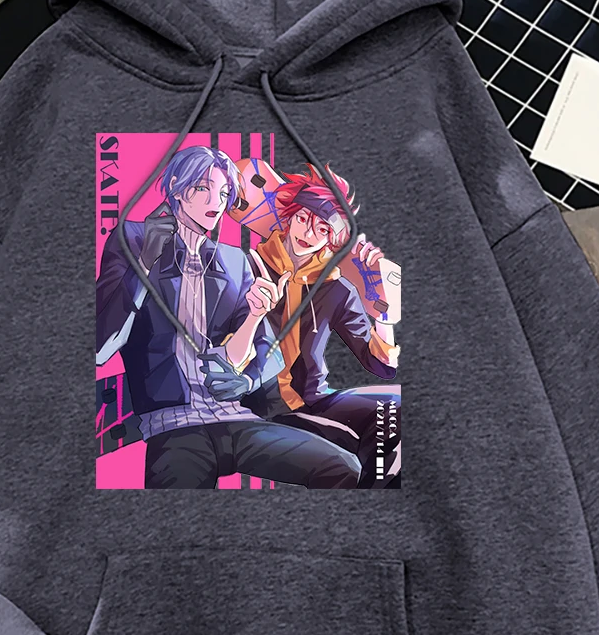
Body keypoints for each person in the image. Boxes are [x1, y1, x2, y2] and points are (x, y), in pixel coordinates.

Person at [96, 145, 361, 488]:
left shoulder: (234, 261)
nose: (216, 203)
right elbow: (101, 346)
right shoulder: (131, 239)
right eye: (202, 188)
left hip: (238, 419)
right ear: (176, 187)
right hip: (173, 426)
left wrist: (247, 381)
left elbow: (269, 349)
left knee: (344, 466)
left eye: (223, 194)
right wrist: (144, 264)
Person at [250, 162, 401, 487]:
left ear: (333, 238)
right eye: (303, 219)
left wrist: (383, 309)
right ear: (289, 216)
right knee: (345, 459)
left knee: (390, 409)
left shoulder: (336, 288)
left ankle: (376, 502)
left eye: (321, 229)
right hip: (257, 405)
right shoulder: (247, 266)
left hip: (314, 401)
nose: (307, 234)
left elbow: (382, 366)